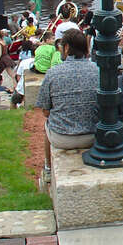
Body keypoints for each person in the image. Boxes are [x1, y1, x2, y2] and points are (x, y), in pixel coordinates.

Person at [36, 29, 99, 177]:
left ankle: (48, 169)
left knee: (47, 125)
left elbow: (45, 111)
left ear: (66, 48)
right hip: (93, 135)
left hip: (61, 137)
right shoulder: (98, 70)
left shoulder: (53, 73)